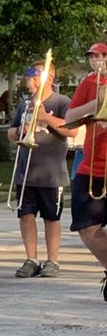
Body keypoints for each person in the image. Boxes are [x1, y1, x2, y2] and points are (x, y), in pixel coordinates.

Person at [7, 62, 75, 278]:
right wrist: (21, 130)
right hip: (27, 170)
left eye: (35, 78)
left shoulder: (62, 101)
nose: (31, 83)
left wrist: (46, 118)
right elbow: (10, 133)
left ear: (48, 79)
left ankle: (52, 260)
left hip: (51, 172)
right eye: (29, 79)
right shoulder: (25, 104)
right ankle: (31, 259)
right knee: (25, 216)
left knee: (51, 218)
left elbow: (72, 130)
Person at [64, 42, 107, 298]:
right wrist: (95, 105)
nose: (96, 60)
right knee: (86, 227)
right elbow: (69, 119)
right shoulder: (88, 83)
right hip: (91, 167)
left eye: (102, 55)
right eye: (92, 56)